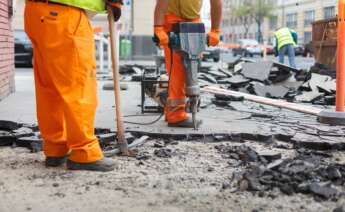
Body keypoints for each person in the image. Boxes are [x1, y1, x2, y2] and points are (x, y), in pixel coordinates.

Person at [24, 0, 122, 172]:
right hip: (64, 14)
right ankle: (84, 152)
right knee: (78, 85)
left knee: (50, 87)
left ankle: (55, 148)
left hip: (36, 12)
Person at [153, 0, 222, 128]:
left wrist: (215, 30)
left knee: (191, 68)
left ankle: (177, 109)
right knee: (178, 72)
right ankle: (176, 115)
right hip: (172, 20)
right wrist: (158, 27)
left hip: (194, 20)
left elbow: (216, 2)